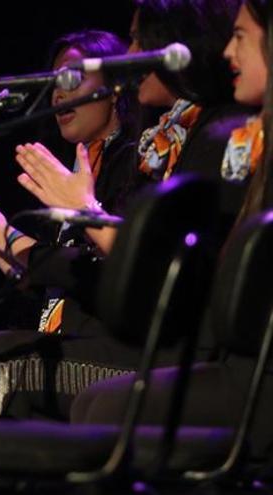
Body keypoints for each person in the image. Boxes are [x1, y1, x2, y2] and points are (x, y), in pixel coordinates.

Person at [0, 0, 251, 421]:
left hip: (168, 350)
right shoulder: (166, 146)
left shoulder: (214, 137)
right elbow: (78, 282)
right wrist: (5, 252)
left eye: (138, 40)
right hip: (129, 337)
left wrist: (53, 224)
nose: (131, 57)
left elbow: (151, 271)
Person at [71, 0, 273, 462]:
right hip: (227, 360)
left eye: (240, 36)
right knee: (95, 402)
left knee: (104, 407)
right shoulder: (224, 139)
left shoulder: (226, 138)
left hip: (244, 369)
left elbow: (185, 276)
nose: (227, 51)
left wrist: (83, 213)